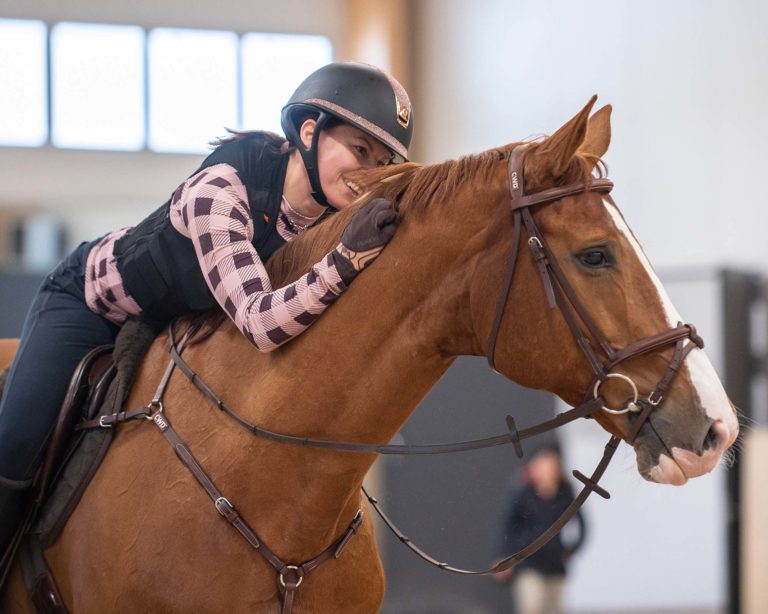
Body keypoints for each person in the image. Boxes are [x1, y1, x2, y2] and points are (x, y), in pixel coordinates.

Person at [0, 61, 414, 558]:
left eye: (382, 161)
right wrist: (345, 262)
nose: (369, 172)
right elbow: (260, 323)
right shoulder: (220, 190)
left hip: (173, 323)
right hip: (91, 305)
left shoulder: (327, 219)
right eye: (359, 150)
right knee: (14, 448)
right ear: (310, 131)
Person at [494, 443, 586, 614]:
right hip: (528, 561)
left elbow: (582, 524)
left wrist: (572, 550)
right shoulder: (522, 492)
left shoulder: (565, 493)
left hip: (555, 562)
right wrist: (503, 557)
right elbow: (506, 526)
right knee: (532, 605)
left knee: (554, 608)